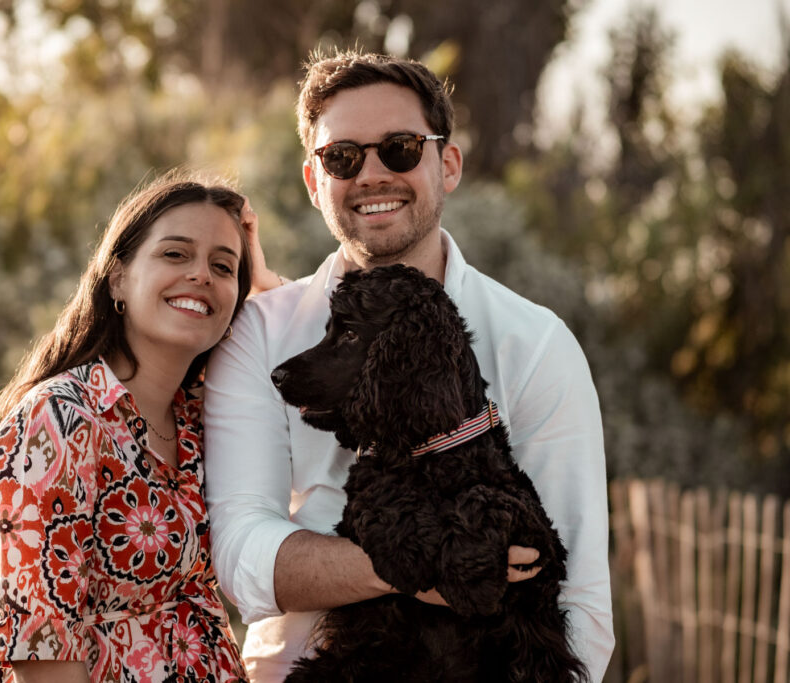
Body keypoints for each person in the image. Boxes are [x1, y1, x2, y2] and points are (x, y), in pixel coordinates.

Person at [203, 50, 615, 681]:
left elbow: (579, 603)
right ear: (315, 182)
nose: (371, 174)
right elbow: (241, 554)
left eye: (399, 148)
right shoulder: (262, 335)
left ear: (447, 164)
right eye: (342, 157)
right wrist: (428, 560)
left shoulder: (535, 344)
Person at [0, 172, 280, 683]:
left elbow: (316, 385)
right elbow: (41, 650)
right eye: (175, 254)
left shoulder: (203, 418)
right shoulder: (61, 418)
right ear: (118, 280)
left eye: (223, 266)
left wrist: (264, 290)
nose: (201, 275)